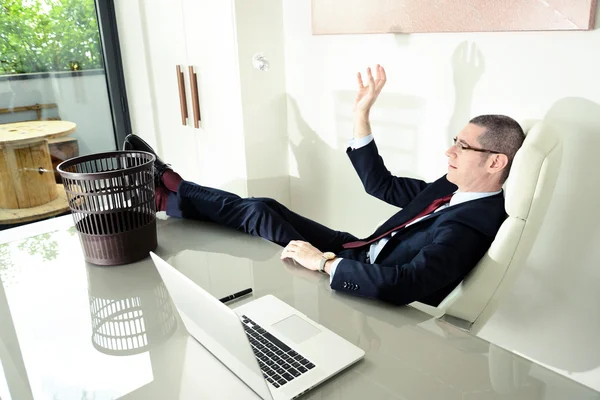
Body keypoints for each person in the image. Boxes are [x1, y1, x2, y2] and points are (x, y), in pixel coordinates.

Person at [124, 65, 525, 306]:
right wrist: (361, 112)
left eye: (461, 145)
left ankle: (170, 187)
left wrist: (325, 263)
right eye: (454, 141)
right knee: (264, 204)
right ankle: (168, 197)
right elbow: (379, 184)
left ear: (495, 162)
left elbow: (409, 285)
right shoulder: (452, 188)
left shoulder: (469, 224)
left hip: (360, 272)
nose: (448, 152)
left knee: (258, 212)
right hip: (358, 248)